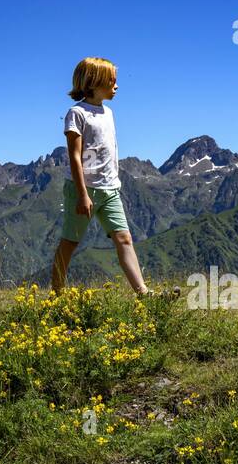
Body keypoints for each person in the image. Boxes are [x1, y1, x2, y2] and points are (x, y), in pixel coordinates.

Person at [50, 56, 172, 298]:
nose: (116, 86)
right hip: (82, 190)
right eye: (111, 81)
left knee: (124, 238)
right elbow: (75, 157)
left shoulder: (109, 113)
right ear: (95, 82)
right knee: (70, 242)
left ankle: (144, 294)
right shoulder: (76, 114)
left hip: (110, 189)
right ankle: (56, 295)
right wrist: (82, 195)